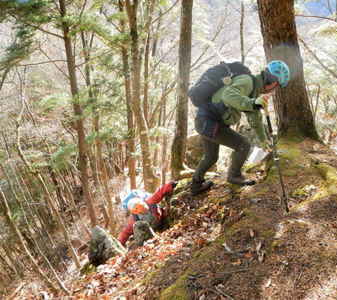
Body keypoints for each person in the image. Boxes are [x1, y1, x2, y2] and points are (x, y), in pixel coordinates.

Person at [191, 60, 290, 195]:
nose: (274, 90)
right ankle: (234, 176)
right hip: (209, 122)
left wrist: (263, 139)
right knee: (243, 144)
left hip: (205, 122)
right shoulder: (247, 82)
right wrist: (253, 102)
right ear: (273, 82)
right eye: (277, 86)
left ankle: (196, 186)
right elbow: (228, 95)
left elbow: (254, 116)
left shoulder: (254, 89)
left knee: (211, 157)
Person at [118, 181, 177, 247]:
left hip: (162, 221)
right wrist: (119, 243)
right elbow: (126, 232)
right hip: (151, 233)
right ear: (134, 211)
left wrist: (170, 185)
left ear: (141, 202)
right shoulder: (134, 218)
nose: (139, 209)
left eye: (139, 205)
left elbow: (159, 193)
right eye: (136, 209)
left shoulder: (150, 202)